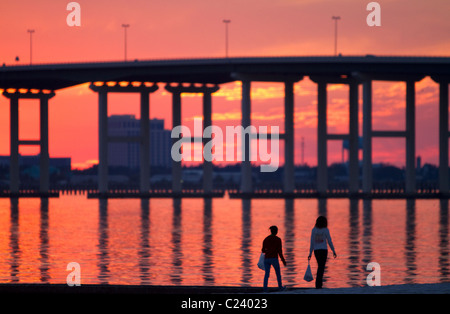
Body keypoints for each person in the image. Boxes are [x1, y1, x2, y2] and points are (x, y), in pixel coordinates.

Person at [308, 216, 337, 288]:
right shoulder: (325, 230)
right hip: (323, 250)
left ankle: (318, 284)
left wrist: (310, 253)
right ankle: (318, 284)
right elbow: (329, 241)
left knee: (320, 266)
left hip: (316, 251)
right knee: (321, 267)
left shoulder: (314, 230)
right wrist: (333, 251)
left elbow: (312, 242)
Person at [261, 225, 286, 292]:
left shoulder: (265, 239)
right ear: (276, 232)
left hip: (267, 259)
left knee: (267, 274)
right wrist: (283, 260)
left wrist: (267, 250)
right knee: (278, 273)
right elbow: (280, 251)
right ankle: (280, 287)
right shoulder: (278, 239)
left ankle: (265, 289)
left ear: (271, 231)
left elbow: (263, 250)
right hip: (274, 258)